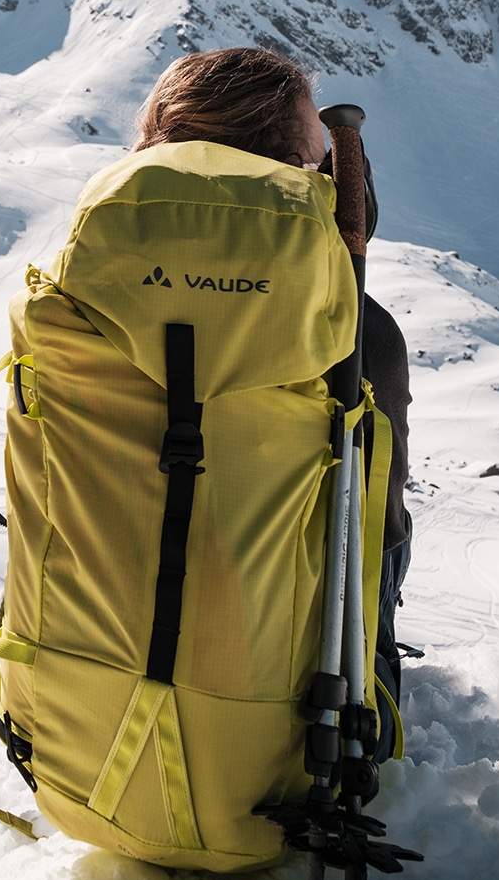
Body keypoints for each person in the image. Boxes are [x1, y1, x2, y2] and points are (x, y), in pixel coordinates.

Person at [134, 44, 412, 763]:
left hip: (84, 727)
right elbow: (376, 535)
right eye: (319, 152)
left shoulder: (87, 281)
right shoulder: (355, 329)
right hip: (291, 742)